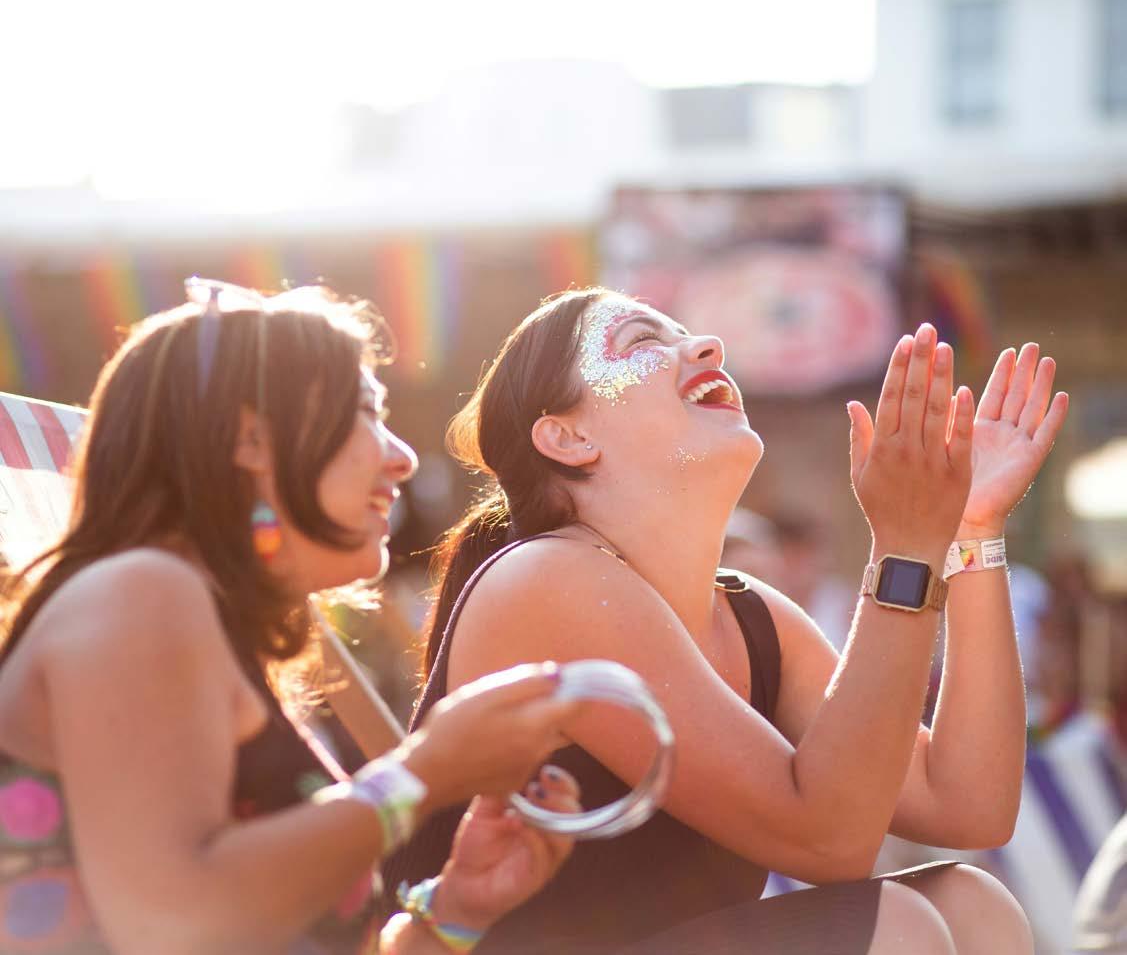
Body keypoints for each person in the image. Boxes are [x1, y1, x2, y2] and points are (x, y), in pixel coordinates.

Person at [388, 288, 1069, 953]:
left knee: (971, 903)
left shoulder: (752, 615)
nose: (707, 346)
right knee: (899, 925)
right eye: (643, 340)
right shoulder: (545, 577)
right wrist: (904, 545)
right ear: (568, 437)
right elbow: (829, 842)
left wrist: (969, 531)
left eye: (688, 334)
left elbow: (969, 804)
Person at [0, 281, 588, 955]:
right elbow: (170, 925)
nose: (401, 456)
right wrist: (424, 774)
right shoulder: (141, 591)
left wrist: (453, 912)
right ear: (249, 435)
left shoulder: (189, 615)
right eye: (366, 412)